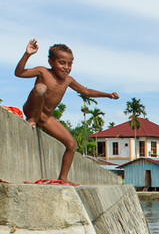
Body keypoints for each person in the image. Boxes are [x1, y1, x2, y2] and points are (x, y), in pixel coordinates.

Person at [14, 39, 119, 184]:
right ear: (51, 62)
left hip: (47, 118)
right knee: (41, 88)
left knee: (72, 144)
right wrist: (27, 54)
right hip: (33, 109)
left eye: (70, 64)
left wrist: (107, 95)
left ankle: (63, 177)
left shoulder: (68, 80)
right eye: (62, 63)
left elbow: (86, 91)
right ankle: (31, 119)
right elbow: (18, 73)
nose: (66, 67)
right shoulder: (43, 71)